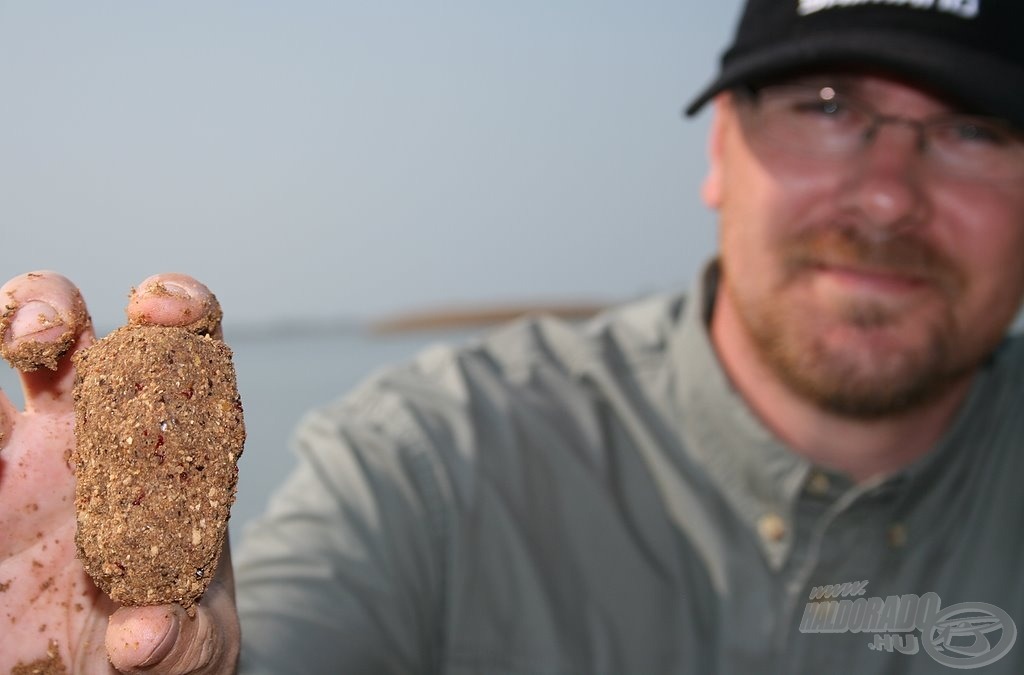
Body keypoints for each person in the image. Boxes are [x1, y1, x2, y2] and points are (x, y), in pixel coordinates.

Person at [3, 0, 1024, 672]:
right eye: (829, 105)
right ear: (720, 147)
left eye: (975, 127)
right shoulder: (427, 458)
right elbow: (290, 632)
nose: (888, 195)